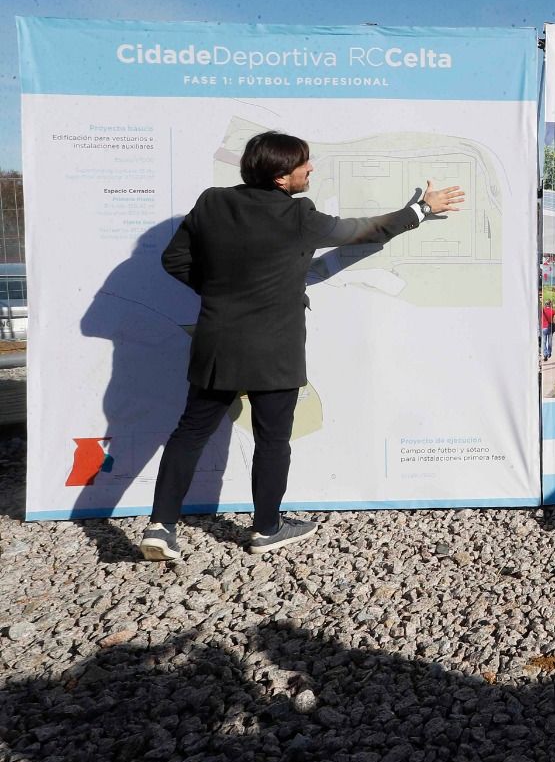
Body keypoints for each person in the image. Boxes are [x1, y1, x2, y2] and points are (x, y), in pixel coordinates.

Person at [138, 131, 465, 562]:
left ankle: (161, 526)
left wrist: (222, 292)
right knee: (272, 441)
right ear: (279, 177)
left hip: (217, 344)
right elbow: (364, 231)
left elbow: (174, 260)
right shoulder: (300, 217)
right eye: (304, 164)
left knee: (190, 433)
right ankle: (266, 529)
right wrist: (420, 209)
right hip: (275, 349)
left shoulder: (212, 202)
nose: (311, 169)